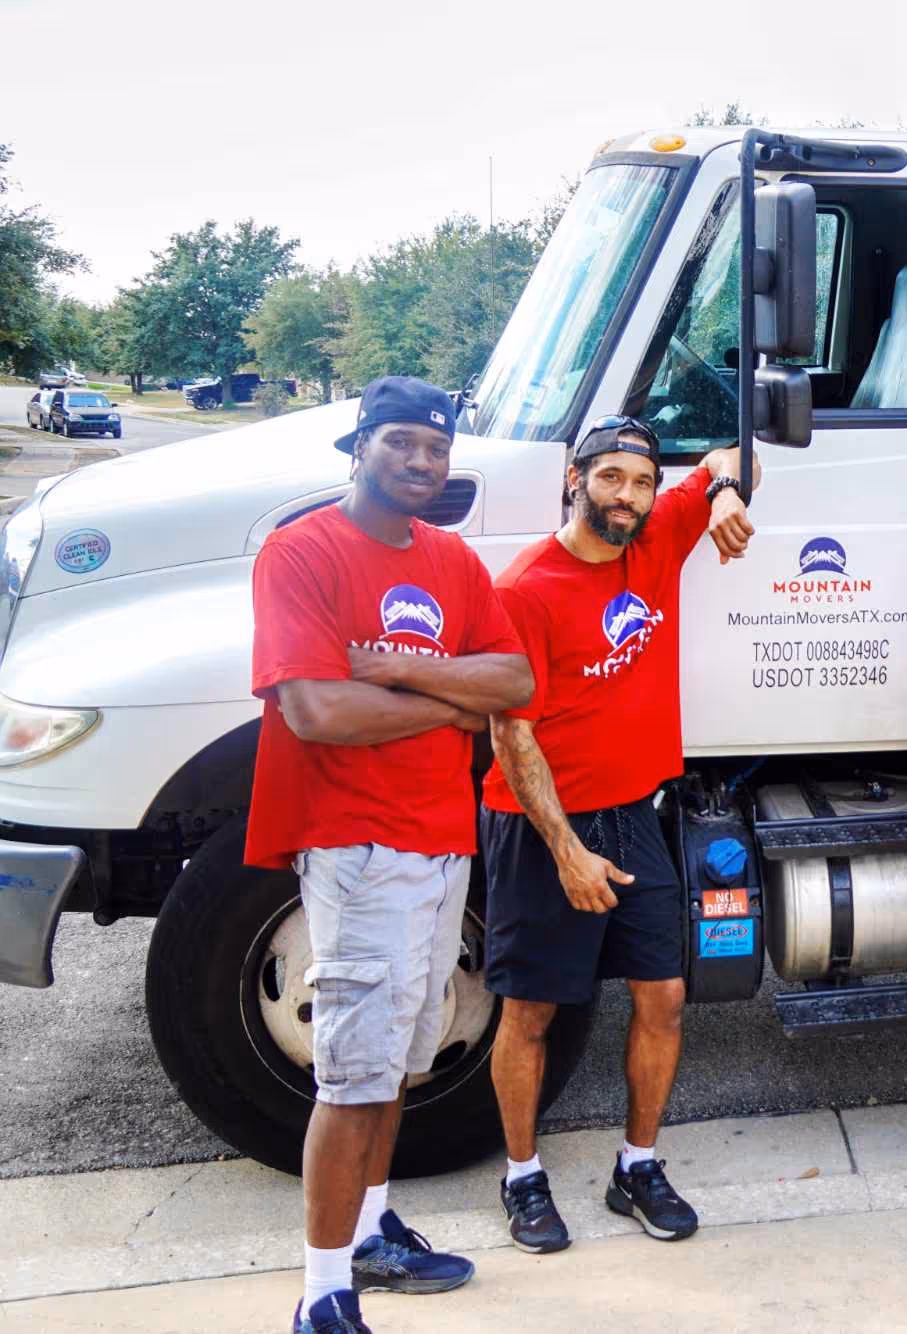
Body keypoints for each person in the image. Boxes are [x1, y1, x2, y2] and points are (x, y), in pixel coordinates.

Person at [246, 376, 534, 1334]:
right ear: (359, 446)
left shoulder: (451, 559)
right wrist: (455, 702)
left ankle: (370, 1233)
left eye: (436, 447)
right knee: (353, 1080)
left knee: (399, 1066)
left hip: (443, 842)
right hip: (359, 847)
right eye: (401, 441)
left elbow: (514, 679)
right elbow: (318, 710)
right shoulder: (301, 552)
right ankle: (323, 1294)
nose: (421, 461)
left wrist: (402, 669)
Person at [481, 415, 756, 1251]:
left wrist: (724, 492)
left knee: (663, 997)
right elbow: (510, 735)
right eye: (610, 479)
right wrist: (567, 851)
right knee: (531, 1010)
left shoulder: (658, 536)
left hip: (634, 814)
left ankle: (636, 1167)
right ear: (575, 480)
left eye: (641, 483)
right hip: (541, 823)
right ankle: (522, 1176)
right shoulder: (526, 588)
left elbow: (729, 452)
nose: (627, 496)